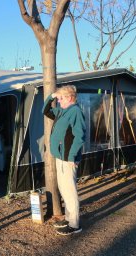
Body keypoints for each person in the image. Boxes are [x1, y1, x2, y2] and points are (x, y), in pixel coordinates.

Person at [42, 85, 86, 235]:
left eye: (61, 98)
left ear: (69, 98)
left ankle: (74, 225)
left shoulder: (75, 112)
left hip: (68, 158)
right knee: (64, 189)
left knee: (69, 191)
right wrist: (52, 96)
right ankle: (68, 218)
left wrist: (72, 156)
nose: (58, 101)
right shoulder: (62, 111)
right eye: (58, 99)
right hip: (61, 157)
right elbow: (45, 110)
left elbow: (80, 136)